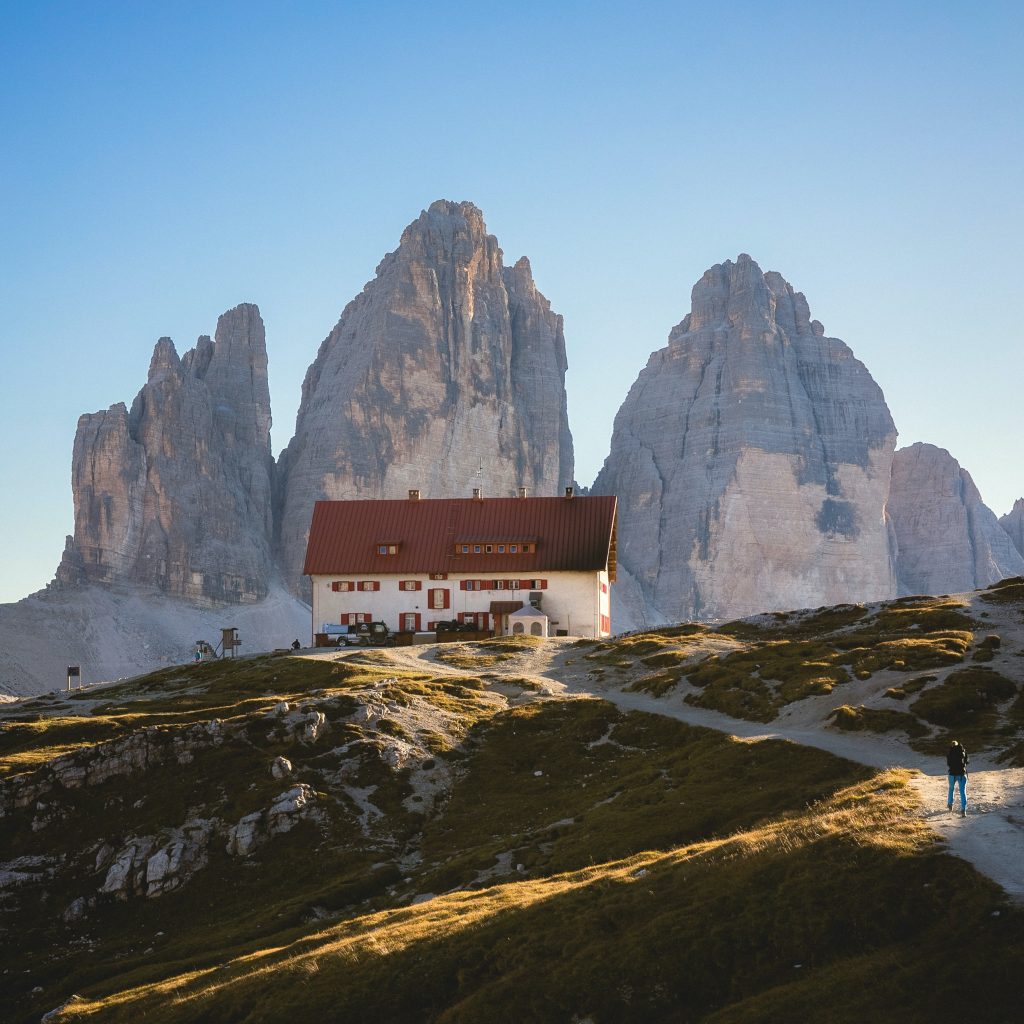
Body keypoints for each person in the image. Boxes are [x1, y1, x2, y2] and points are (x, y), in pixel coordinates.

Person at [946, 740, 969, 817]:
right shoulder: (963, 750)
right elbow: (967, 761)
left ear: (951, 745)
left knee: (951, 789)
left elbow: (948, 763)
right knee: (963, 792)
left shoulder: (950, 752)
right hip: (962, 774)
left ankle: (950, 805)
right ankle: (963, 809)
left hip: (952, 774)